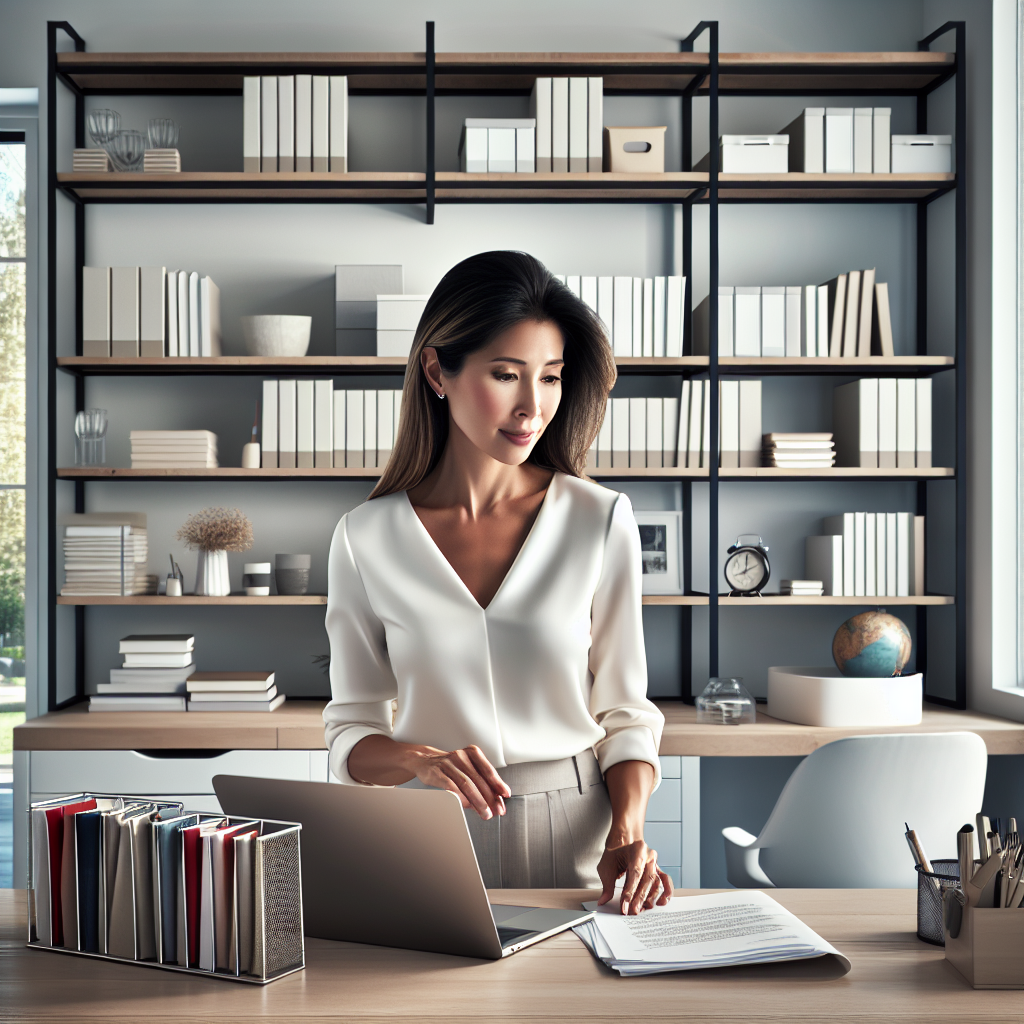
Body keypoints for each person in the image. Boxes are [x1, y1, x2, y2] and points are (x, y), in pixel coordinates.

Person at [323, 251, 670, 915]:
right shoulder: (364, 538)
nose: (532, 406)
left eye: (551, 377)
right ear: (437, 371)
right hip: (427, 829)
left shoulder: (599, 520)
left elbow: (625, 714)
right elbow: (351, 733)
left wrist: (628, 829)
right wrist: (419, 760)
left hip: (574, 827)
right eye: (506, 375)